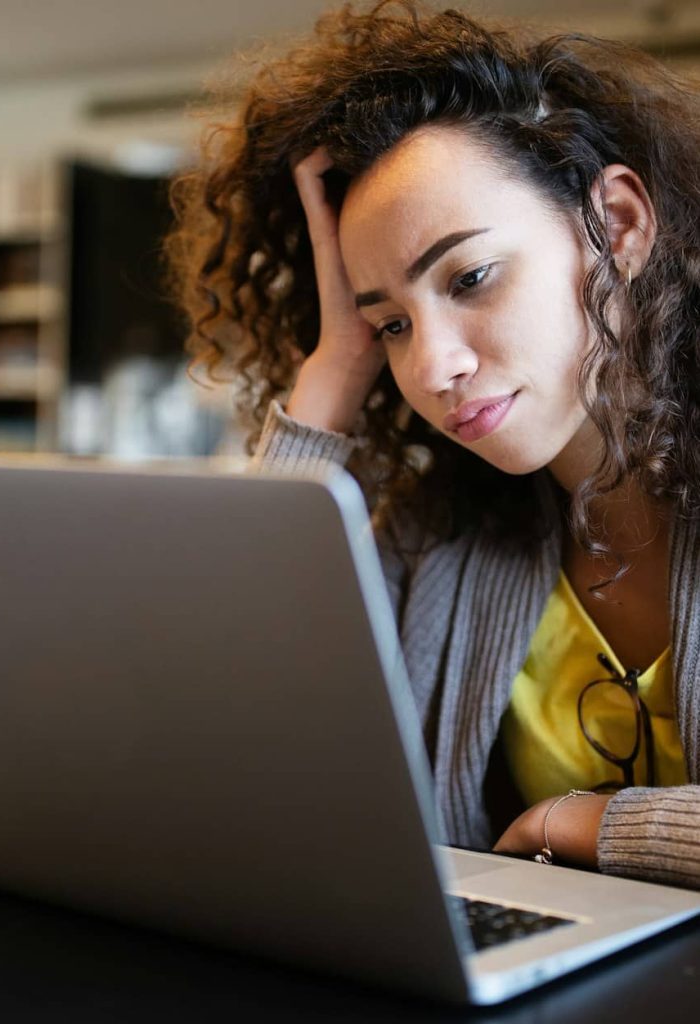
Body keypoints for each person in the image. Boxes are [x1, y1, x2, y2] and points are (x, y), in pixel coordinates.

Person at [166, 0, 700, 889]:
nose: (435, 364)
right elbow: (232, 746)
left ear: (618, 224)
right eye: (395, 324)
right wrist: (337, 365)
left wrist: (592, 824)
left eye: (471, 276)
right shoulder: (437, 539)